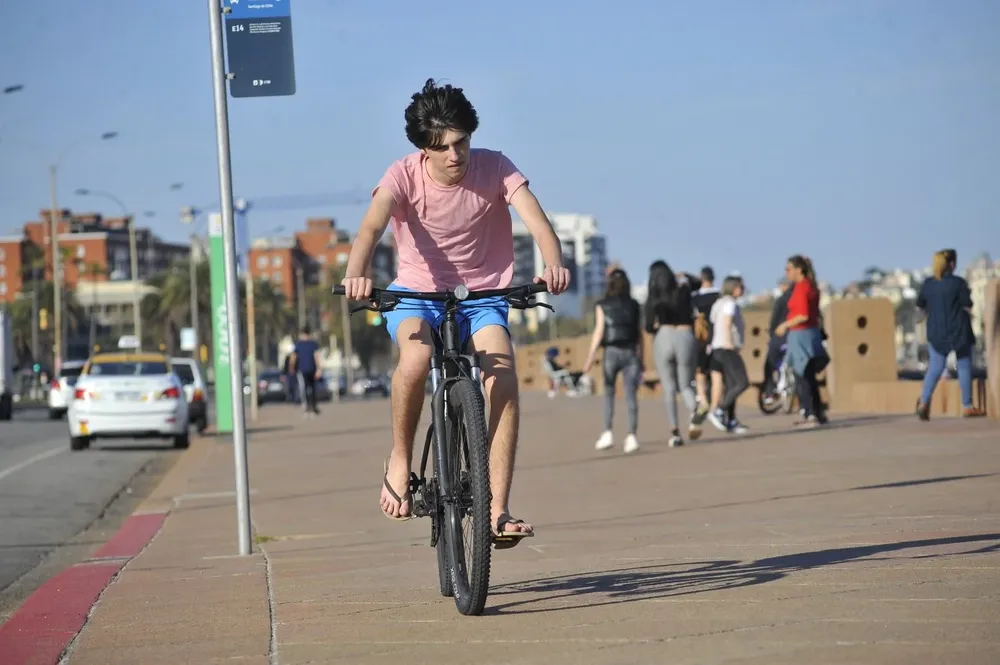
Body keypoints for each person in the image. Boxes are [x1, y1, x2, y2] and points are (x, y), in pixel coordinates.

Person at [339, 79, 570, 543]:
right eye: (440, 147)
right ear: (423, 149)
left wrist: (554, 262)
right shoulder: (402, 175)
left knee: (501, 373)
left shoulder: (497, 167)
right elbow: (370, 228)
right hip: (417, 295)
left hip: (482, 296)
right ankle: (401, 459)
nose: (454, 155)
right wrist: (356, 274)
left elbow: (538, 221)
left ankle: (497, 510)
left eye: (461, 141)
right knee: (417, 358)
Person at [915, 250, 985, 419]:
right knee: (963, 366)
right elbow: (968, 304)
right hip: (959, 331)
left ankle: (924, 402)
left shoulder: (929, 284)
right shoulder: (958, 283)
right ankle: (967, 406)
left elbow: (920, 305)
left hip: (936, 332)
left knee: (935, 369)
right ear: (952, 264)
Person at [582, 268, 643, 454]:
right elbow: (640, 335)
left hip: (611, 352)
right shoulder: (634, 305)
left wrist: (590, 358)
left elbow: (599, 332)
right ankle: (631, 436)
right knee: (630, 394)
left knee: (608, 394)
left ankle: (607, 433)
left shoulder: (602, 305)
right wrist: (641, 358)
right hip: (631, 352)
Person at [644, 260, 703, 447]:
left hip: (664, 335)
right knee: (686, 384)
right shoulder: (684, 289)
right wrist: (684, 274)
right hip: (685, 334)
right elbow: (699, 283)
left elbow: (647, 325)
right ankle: (695, 409)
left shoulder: (653, 296)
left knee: (669, 387)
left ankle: (675, 432)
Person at [774, 256, 829, 427]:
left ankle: (809, 414)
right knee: (809, 376)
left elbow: (803, 314)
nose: (786, 272)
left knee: (802, 376)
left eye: (789, 269)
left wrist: (784, 325)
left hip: (800, 334)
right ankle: (818, 413)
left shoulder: (802, 288)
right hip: (811, 333)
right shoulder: (811, 286)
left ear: (799, 270)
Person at [707, 275, 750, 434]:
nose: (742, 290)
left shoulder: (718, 304)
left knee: (731, 385)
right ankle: (720, 410)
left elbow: (713, 322)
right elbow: (727, 322)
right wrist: (730, 343)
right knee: (742, 382)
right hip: (726, 348)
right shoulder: (730, 304)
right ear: (732, 287)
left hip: (717, 349)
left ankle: (731, 420)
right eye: (740, 287)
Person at [691, 266, 720, 410]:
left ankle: (703, 400)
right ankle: (716, 403)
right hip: (717, 335)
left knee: (700, 370)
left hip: (701, 336)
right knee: (716, 371)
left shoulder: (695, 297)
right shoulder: (719, 295)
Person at [761, 279, 793, 400]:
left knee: (769, 365)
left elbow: (774, 319)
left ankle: (769, 393)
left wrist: (771, 331)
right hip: (793, 337)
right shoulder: (796, 298)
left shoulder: (781, 300)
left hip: (779, 337)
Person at [289, 326, 322, 417]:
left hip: (305, 370)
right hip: (308, 370)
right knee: (310, 388)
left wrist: (291, 367)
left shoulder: (300, 344)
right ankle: (311, 407)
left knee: (308, 388)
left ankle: (310, 407)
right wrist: (319, 369)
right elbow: (316, 357)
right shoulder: (311, 344)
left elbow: (293, 357)